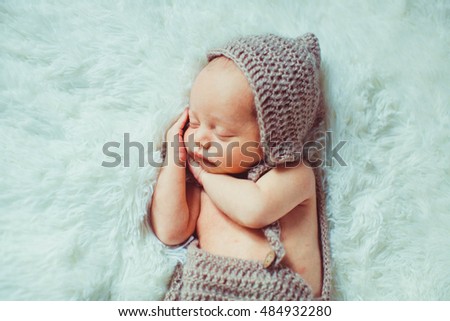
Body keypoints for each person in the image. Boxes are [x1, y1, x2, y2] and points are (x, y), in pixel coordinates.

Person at [149, 33, 331, 300]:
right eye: (195, 123)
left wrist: (204, 177)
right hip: (204, 292)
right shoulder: (202, 188)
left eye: (221, 133)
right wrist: (174, 159)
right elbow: (170, 231)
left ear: (273, 137)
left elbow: (255, 208)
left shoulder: (293, 173)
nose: (199, 139)